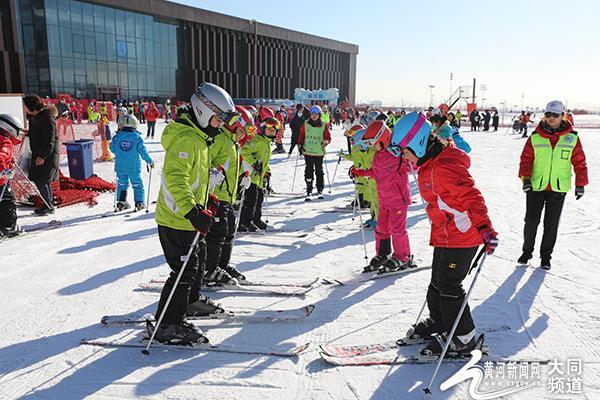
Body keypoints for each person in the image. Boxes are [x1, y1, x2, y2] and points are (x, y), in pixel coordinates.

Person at [399, 129, 498, 357]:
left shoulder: (444, 166)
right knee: (437, 280)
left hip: (463, 235)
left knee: (449, 284)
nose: (405, 156)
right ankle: (440, 322)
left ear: (420, 145)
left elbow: (472, 197)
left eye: (406, 151)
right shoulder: (431, 163)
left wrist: (485, 228)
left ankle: (464, 337)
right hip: (445, 233)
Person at [152, 82, 239, 344]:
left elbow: (194, 179)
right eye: (218, 118)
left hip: (189, 217)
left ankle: (189, 302)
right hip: (176, 219)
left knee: (197, 264)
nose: (221, 125)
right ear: (203, 110)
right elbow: (175, 179)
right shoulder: (187, 139)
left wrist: (206, 199)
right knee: (182, 271)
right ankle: (167, 323)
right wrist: (192, 211)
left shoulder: (201, 139)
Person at [517, 100, 588, 270]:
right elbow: (526, 159)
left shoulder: (572, 138)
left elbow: (580, 163)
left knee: (551, 224)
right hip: (535, 186)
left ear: (562, 116)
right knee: (531, 221)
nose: (550, 118)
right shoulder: (535, 137)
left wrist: (580, 184)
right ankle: (527, 252)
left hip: (558, 188)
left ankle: (546, 257)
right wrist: (526, 178)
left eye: (555, 115)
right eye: (548, 114)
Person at [350, 120, 413, 271]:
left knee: (397, 229)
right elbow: (375, 172)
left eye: (375, 143)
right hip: (383, 199)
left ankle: (403, 256)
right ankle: (383, 254)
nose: (372, 146)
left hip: (398, 199)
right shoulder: (378, 156)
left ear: (383, 140)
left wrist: (409, 157)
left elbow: (414, 165)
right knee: (381, 228)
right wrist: (361, 172)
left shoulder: (398, 154)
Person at [203, 106, 254, 286]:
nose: (242, 137)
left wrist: (241, 178)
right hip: (215, 194)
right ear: (233, 126)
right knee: (217, 232)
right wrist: (211, 173)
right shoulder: (220, 139)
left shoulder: (233, 144)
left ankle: (222, 265)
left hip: (227, 196)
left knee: (230, 230)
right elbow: (205, 161)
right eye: (241, 132)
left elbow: (233, 167)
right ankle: (208, 270)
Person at [238, 116, 278, 232]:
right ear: (262, 128)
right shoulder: (258, 140)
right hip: (250, 175)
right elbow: (244, 150)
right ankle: (245, 221)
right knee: (251, 200)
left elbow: (264, 161)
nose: (271, 131)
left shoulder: (266, 143)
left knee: (259, 198)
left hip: (258, 177)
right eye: (269, 128)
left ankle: (256, 219)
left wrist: (267, 172)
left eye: (274, 130)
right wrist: (253, 163)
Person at [109, 115, 154, 212]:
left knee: (122, 183)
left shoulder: (117, 137)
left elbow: (112, 148)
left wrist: (120, 152)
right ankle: (139, 202)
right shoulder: (137, 137)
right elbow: (143, 151)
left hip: (120, 166)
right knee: (137, 184)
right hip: (133, 166)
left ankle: (121, 202)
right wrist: (149, 161)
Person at [23, 94, 59, 216]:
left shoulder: (47, 118)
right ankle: (48, 204)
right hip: (39, 153)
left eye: (25, 106)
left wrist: (42, 156)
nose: (24, 109)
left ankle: (48, 205)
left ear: (31, 106)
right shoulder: (35, 117)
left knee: (42, 180)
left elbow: (50, 140)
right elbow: (37, 133)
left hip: (47, 155)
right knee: (42, 180)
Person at [298, 105, 331, 201]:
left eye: (316, 114)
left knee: (319, 170)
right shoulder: (305, 123)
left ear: (319, 115)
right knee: (308, 169)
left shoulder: (323, 124)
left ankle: (320, 189)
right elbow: (301, 135)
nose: (314, 116)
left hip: (318, 151)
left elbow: (327, 137)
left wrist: (326, 142)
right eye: (312, 114)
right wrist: (300, 144)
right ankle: (309, 189)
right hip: (308, 151)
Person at [0, 114, 25, 237]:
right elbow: (1, 158)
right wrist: (4, 172)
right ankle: (8, 226)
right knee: (7, 200)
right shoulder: (5, 142)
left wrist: (9, 161)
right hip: (1, 180)